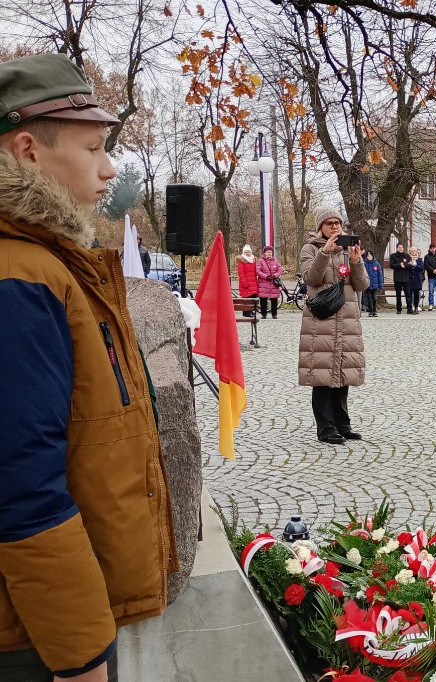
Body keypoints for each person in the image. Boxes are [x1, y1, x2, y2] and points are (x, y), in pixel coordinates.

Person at [0, 52, 175, 682]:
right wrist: (78, 658)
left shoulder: (45, 260)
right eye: (94, 148)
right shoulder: (18, 275)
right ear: (28, 151)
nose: (109, 171)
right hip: (33, 637)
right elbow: (20, 484)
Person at [299, 206, 370, 444]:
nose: (335, 227)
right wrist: (324, 254)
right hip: (322, 320)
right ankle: (326, 428)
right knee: (322, 375)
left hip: (347, 319)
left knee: (342, 374)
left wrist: (356, 262)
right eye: (329, 223)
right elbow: (311, 278)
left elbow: (362, 285)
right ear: (321, 227)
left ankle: (343, 424)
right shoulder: (310, 249)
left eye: (337, 223)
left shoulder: (347, 249)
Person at [256, 245, 283, 319]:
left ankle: (274, 314)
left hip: (273, 284)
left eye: (270, 252)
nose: (269, 253)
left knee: (274, 300)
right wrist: (266, 276)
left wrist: (274, 275)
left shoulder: (275, 261)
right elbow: (258, 271)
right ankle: (263, 314)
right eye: (268, 252)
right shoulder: (261, 261)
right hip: (264, 283)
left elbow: (280, 270)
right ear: (264, 253)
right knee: (263, 300)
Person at [389, 242, 411, 314]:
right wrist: (399, 265)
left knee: (407, 294)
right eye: (399, 247)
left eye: (402, 247)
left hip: (406, 278)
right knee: (398, 294)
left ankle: (409, 308)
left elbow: (410, 265)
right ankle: (399, 309)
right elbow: (392, 265)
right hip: (397, 278)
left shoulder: (407, 256)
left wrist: (405, 266)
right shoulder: (393, 256)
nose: (401, 249)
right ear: (397, 248)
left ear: (403, 248)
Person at [237, 244, 258, 317]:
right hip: (246, 283)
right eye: (246, 252)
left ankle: (252, 311)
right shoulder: (241, 260)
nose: (247, 253)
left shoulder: (253, 260)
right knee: (246, 299)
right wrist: (245, 283)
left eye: (248, 252)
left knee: (253, 298)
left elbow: (256, 272)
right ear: (243, 253)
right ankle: (246, 313)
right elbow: (241, 273)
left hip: (254, 282)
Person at [363, 249, 384, 317]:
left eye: (370, 255)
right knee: (368, 298)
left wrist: (380, 285)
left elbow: (380, 275)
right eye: (368, 256)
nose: (369, 257)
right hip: (368, 284)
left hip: (375, 284)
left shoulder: (376, 264)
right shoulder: (364, 264)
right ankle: (370, 311)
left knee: (374, 297)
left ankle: (375, 310)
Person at [408, 247, 424, 314]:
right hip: (410, 279)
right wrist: (410, 265)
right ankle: (410, 307)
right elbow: (406, 268)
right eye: (412, 251)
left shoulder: (420, 260)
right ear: (410, 252)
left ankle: (416, 307)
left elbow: (421, 268)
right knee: (410, 294)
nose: (413, 252)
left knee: (416, 294)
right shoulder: (408, 259)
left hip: (417, 279)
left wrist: (415, 265)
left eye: (414, 250)